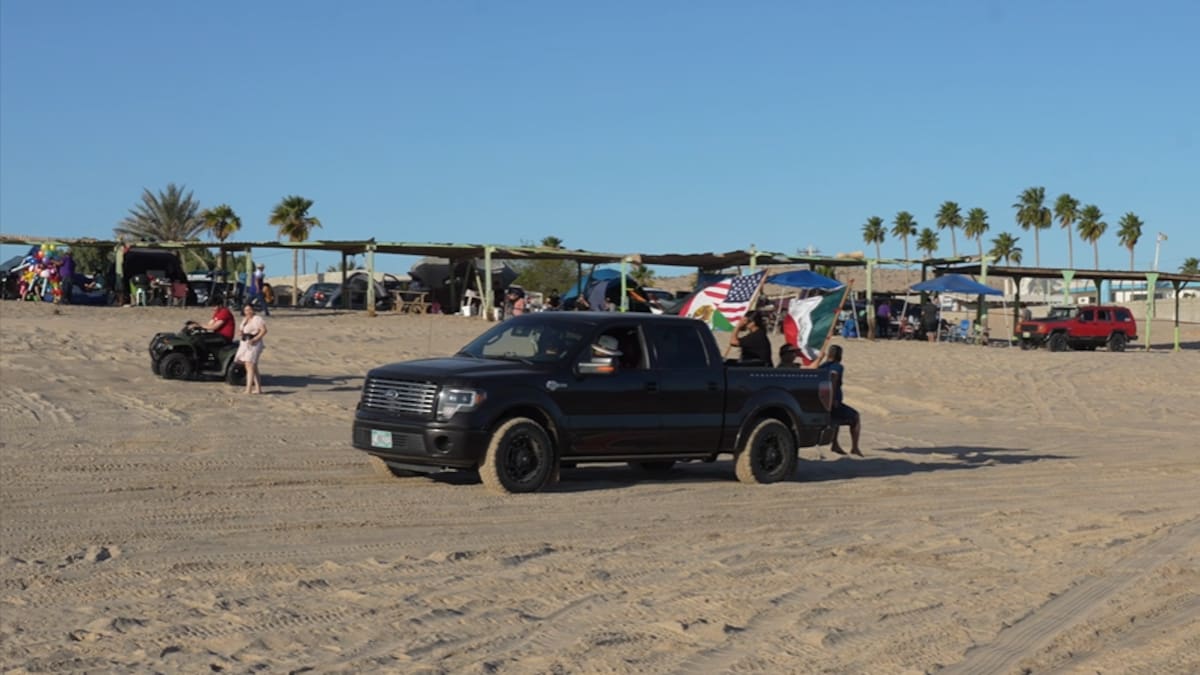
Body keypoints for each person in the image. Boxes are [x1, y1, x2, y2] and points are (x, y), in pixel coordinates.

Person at [819, 344, 863, 456]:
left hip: (821, 401)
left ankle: (835, 444)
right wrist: (832, 398)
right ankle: (855, 447)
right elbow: (833, 379)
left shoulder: (822, 366)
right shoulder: (837, 366)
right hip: (831, 401)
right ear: (839, 355)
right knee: (855, 417)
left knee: (836, 420)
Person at [235, 303, 268, 394]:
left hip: (254, 344)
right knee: (253, 366)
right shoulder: (245, 319)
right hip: (245, 343)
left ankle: (248, 389)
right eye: (246, 310)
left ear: (253, 310)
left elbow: (264, 330)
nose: (248, 312)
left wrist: (255, 339)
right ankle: (258, 389)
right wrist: (240, 332)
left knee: (249, 364)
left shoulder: (257, 319)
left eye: (250, 309)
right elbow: (242, 329)